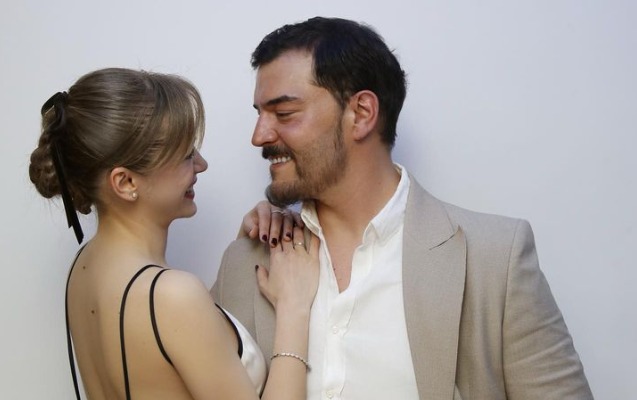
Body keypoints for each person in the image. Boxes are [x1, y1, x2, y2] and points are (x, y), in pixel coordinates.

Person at [211, 17, 594, 400]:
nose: (259, 136)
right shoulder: (245, 263)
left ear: (362, 113)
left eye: (284, 113)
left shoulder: (494, 260)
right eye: (259, 114)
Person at [29, 67, 319, 400]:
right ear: (126, 182)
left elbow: (166, 360)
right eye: (186, 156)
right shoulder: (173, 296)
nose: (201, 165)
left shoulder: (84, 269)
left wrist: (244, 246)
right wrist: (294, 309)